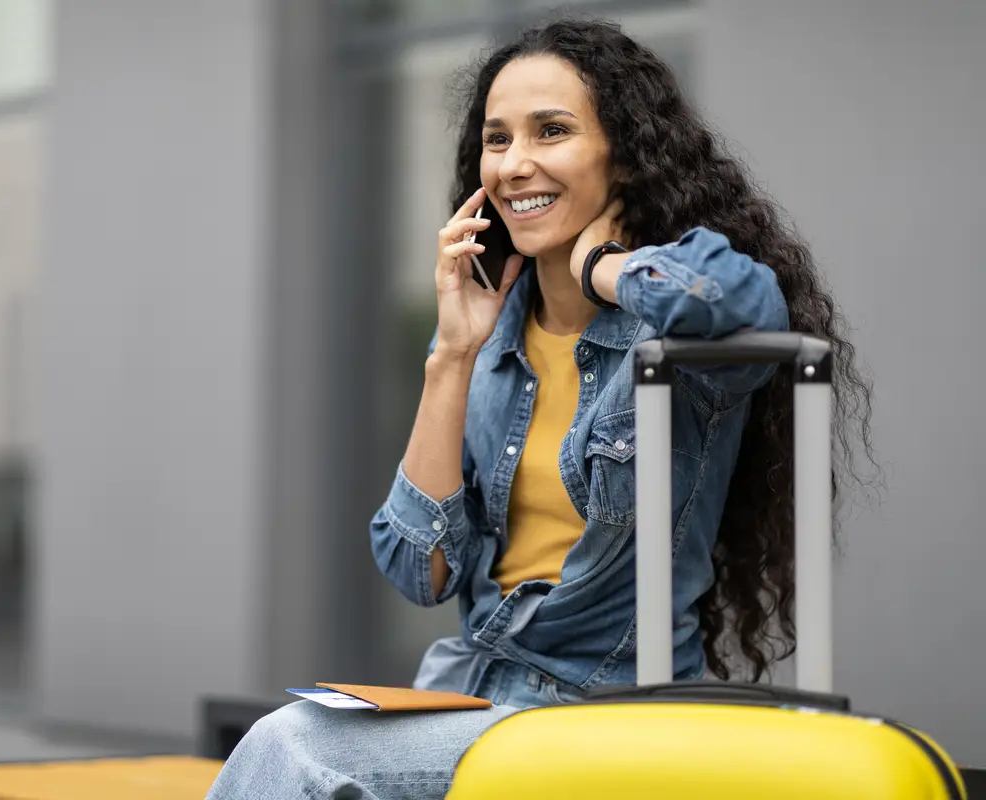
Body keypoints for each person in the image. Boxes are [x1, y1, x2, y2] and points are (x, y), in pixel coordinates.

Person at [206, 17, 874, 800]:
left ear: (623, 151)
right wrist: (451, 354)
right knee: (300, 738)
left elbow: (744, 303)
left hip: (607, 707)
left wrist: (598, 267)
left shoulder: (675, 337)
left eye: (551, 132)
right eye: (498, 139)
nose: (516, 164)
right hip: (470, 694)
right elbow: (416, 570)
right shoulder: (492, 335)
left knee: (296, 750)